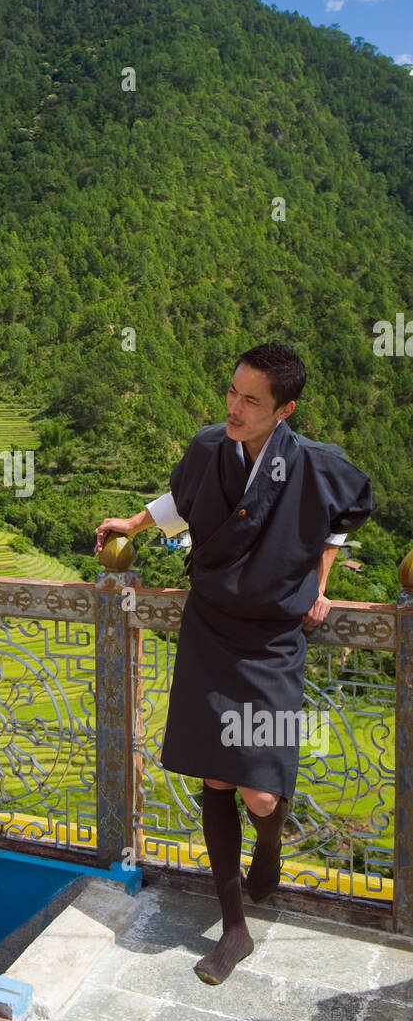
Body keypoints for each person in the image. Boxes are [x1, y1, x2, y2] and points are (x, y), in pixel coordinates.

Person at [95, 342, 372, 985]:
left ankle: (269, 845)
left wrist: (320, 580)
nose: (236, 408)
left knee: (261, 788)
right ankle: (234, 928)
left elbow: (345, 514)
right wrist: (133, 525)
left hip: (273, 640)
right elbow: (181, 498)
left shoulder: (313, 464)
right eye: (232, 392)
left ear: (285, 409)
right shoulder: (208, 448)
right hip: (211, 626)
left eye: (252, 400)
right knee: (218, 779)